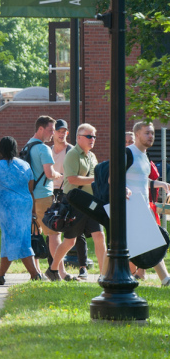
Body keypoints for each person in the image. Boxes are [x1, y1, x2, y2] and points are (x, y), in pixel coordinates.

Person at [0, 136, 41, 284]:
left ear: (0, 149)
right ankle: (0, 275)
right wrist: (33, 211)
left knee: (19, 240)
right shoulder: (25, 165)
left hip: (9, 208)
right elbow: (30, 189)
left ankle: (35, 274)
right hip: (25, 205)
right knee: (10, 238)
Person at [49, 124, 107, 280]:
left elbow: (96, 180)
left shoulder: (92, 156)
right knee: (70, 241)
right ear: (79, 138)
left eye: (94, 136)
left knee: (99, 236)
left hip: (92, 203)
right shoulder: (72, 155)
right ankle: (53, 269)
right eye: (89, 136)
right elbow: (72, 179)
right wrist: (98, 178)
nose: (92, 139)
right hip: (75, 202)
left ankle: (104, 276)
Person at [126, 121, 170, 286]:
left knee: (148, 243)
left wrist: (161, 185)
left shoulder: (144, 156)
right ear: (137, 134)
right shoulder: (128, 153)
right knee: (148, 242)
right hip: (130, 206)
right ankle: (165, 279)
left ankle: (165, 279)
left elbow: (143, 182)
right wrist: (123, 188)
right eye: (147, 133)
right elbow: (112, 178)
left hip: (142, 206)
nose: (151, 136)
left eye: (152, 133)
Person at [49, 119, 89, 281]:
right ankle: (54, 266)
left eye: (64, 131)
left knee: (76, 230)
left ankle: (83, 267)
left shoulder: (71, 150)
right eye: (59, 130)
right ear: (53, 132)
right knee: (53, 228)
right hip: (52, 193)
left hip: (70, 193)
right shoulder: (49, 150)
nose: (62, 134)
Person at [24, 116, 62, 276]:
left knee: (35, 233)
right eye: (50, 130)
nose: (52, 134)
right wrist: (57, 175)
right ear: (40, 128)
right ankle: (57, 270)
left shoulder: (28, 146)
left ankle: (37, 271)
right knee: (54, 234)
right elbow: (48, 172)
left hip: (29, 196)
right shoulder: (44, 149)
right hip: (44, 195)